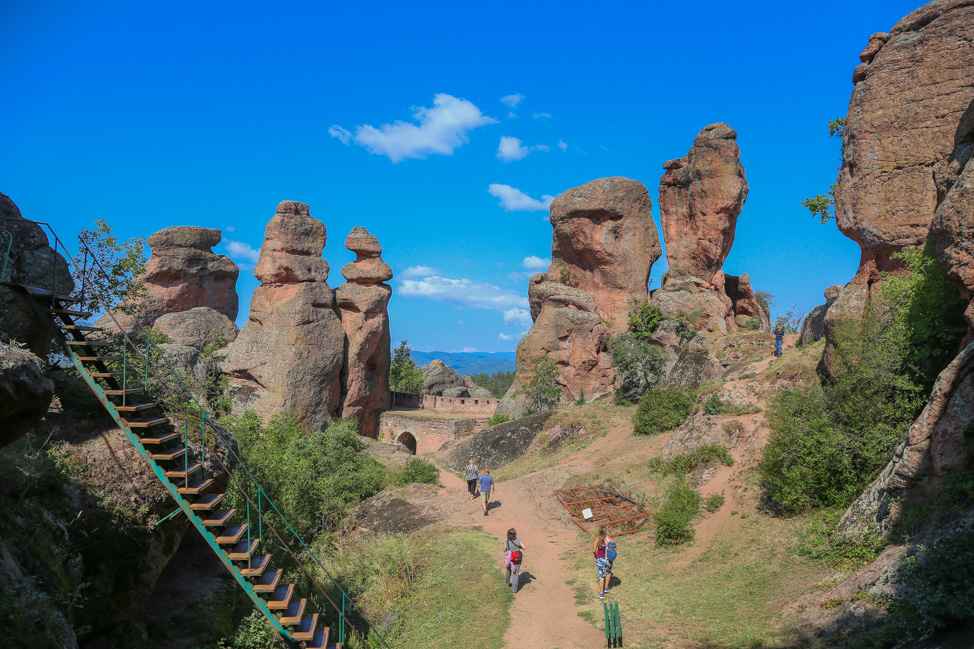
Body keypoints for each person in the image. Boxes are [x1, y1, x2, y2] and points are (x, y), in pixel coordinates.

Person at [592, 526, 613, 599]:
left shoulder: (597, 539)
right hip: (608, 559)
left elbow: (594, 550)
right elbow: (614, 549)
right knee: (608, 572)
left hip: (599, 559)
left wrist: (595, 556)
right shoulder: (609, 539)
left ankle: (601, 593)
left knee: (601, 576)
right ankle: (606, 587)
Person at [504, 528, 526, 594]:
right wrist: (520, 547)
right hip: (517, 559)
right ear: (515, 534)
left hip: (509, 559)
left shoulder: (507, 541)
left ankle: (507, 584)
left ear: (508, 534)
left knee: (508, 571)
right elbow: (524, 547)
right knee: (516, 574)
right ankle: (514, 590)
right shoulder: (518, 540)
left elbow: (504, 550)